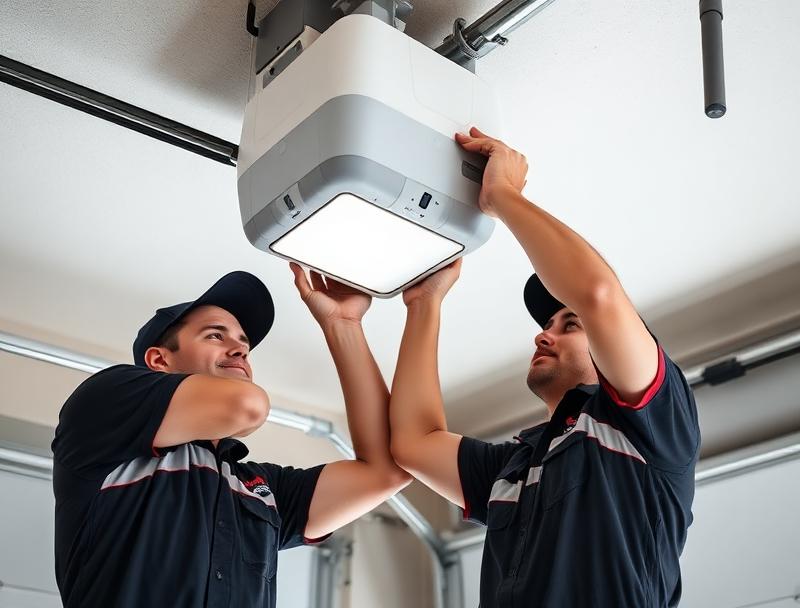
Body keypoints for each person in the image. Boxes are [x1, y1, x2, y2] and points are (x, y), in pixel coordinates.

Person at [389, 128, 700, 607]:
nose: (543, 334)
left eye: (568, 323)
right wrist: (425, 304)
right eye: (548, 324)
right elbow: (414, 442)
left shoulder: (653, 423)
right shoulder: (517, 464)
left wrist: (503, 196)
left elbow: (598, 295)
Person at [52, 268, 410, 608]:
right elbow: (246, 406)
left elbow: (387, 470)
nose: (240, 349)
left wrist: (343, 325)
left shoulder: (262, 489)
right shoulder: (104, 409)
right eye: (215, 335)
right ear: (160, 360)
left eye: (244, 343)